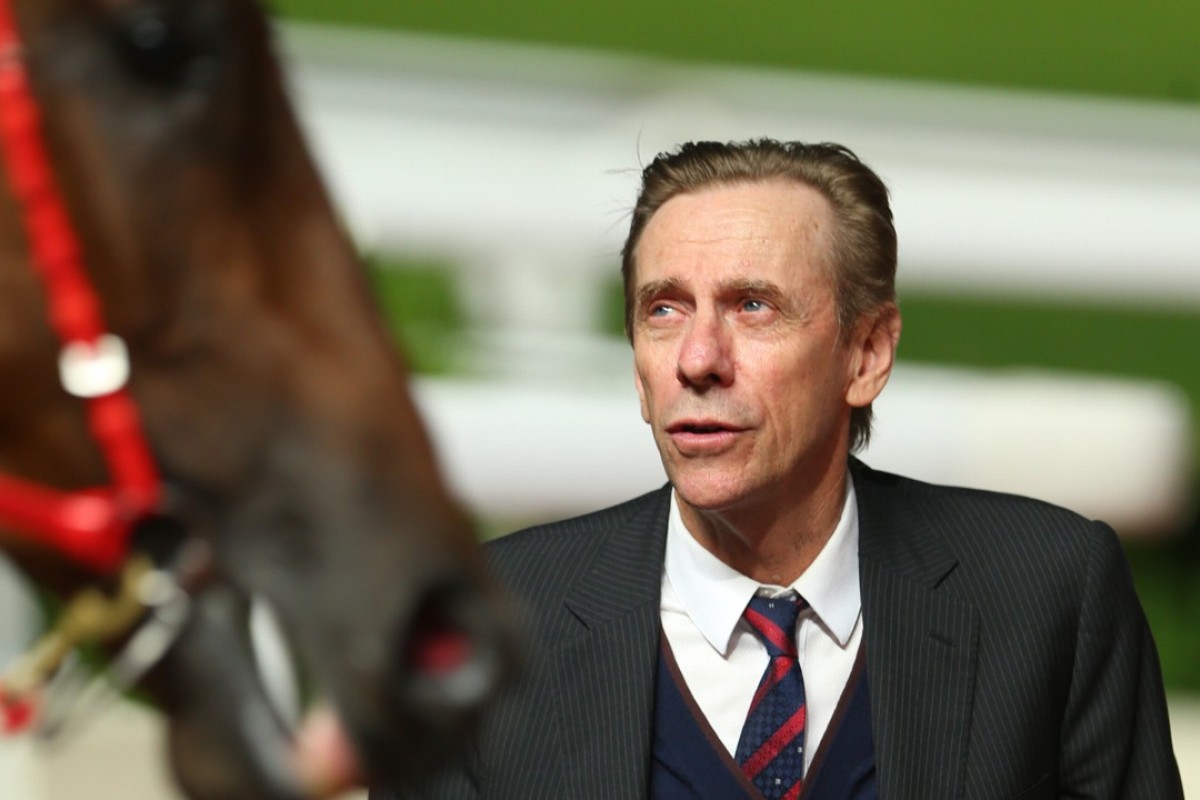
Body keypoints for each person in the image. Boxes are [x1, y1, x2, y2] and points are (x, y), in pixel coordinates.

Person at [373, 139, 1183, 799]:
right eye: (664, 309)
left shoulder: (1047, 596)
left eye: (752, 306)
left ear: (866, 354)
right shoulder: (487, 625)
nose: (697, 359)